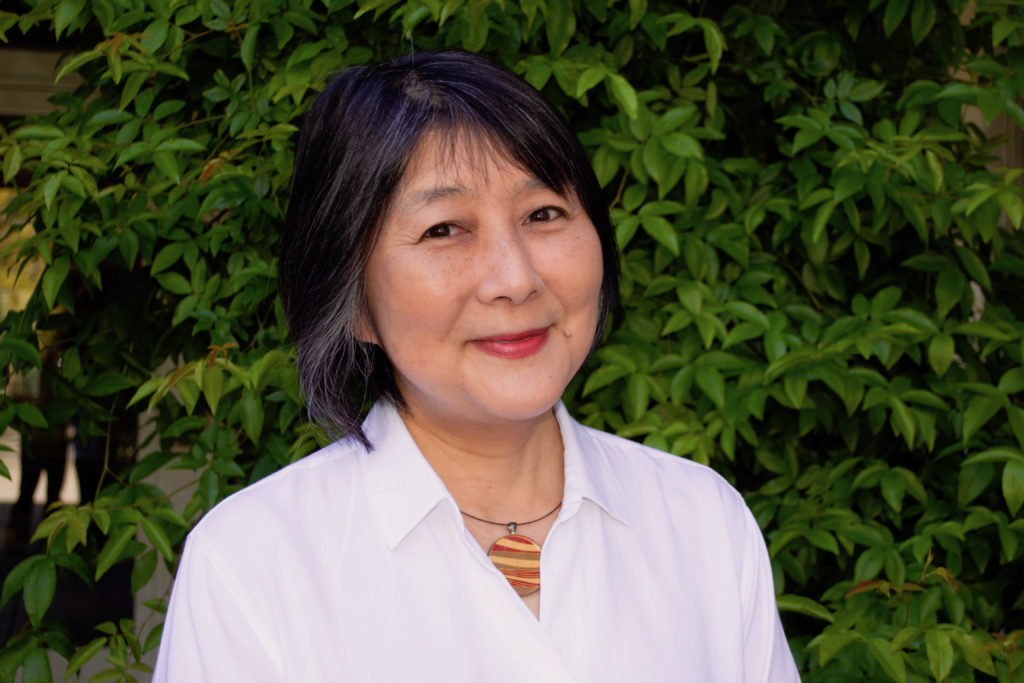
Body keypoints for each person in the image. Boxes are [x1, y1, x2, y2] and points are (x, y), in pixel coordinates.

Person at [153, 50, 799, 682]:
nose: (515, 279)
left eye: (543, 214)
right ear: (353, 300)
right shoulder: (254, 565)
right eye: (444, 229)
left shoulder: (702, 521)